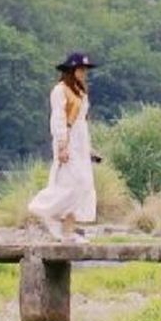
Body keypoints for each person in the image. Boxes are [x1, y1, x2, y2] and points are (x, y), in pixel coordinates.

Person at [28, 52, 98, 242]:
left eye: (85, 70)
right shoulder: (60, 90)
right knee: (69, 183)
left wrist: (88, 149)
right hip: (68, 139)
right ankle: (44, 209)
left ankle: (68, 230)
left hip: (80, 141)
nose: (84, 73)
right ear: (71, 70)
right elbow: (59, 119)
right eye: (81, 69)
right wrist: (62, 145)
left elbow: (82, 122)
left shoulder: (80, 92)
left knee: (83, 185)